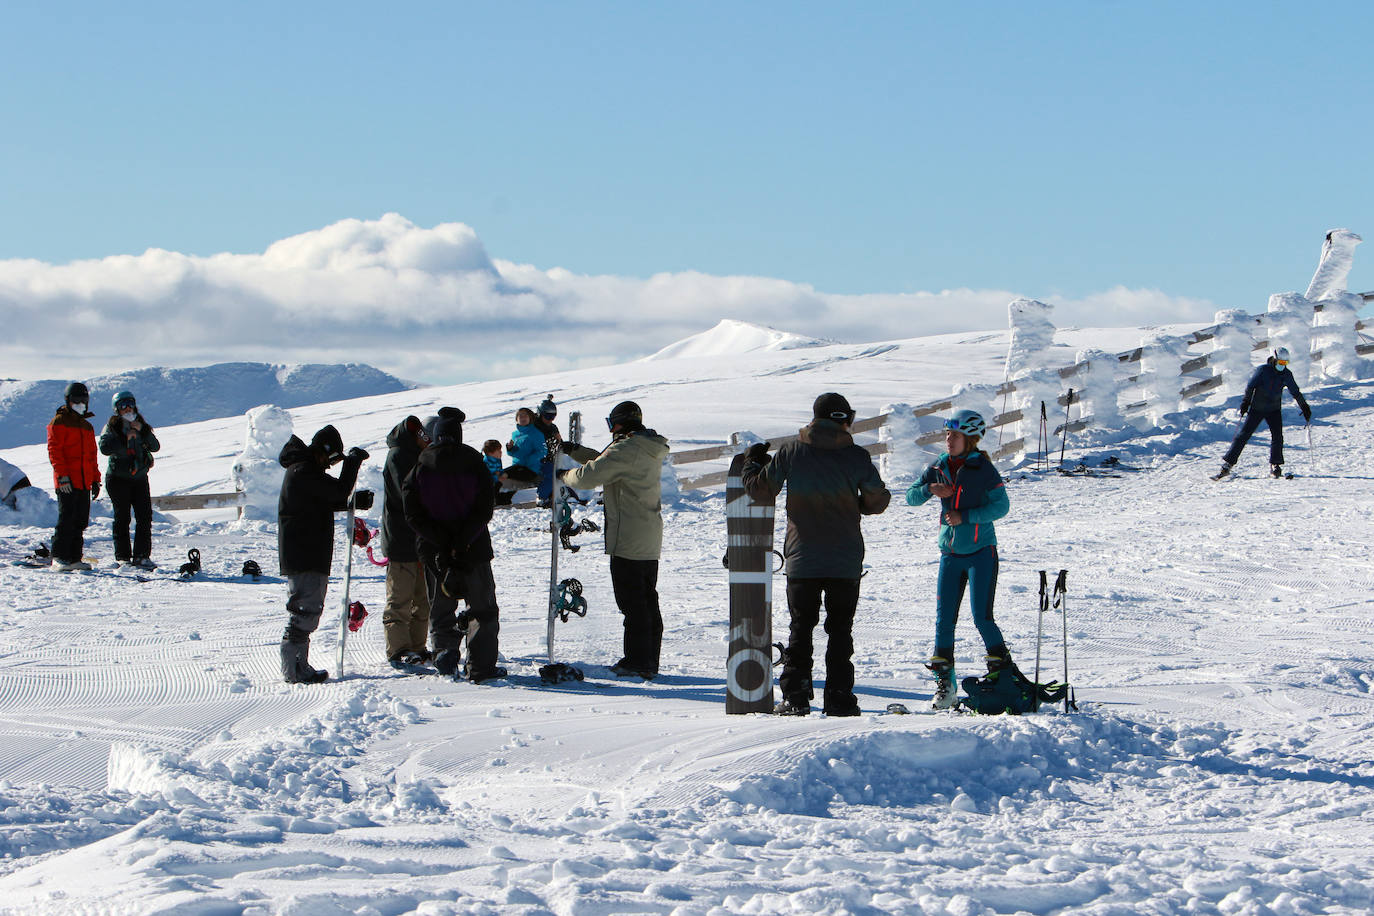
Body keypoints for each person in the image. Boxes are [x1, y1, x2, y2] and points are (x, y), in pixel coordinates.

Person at [743, 393, 890, 716]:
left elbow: (760, 490)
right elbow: (878, 501)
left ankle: (796, 696)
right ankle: (839, 698)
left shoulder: (792, 452)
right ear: (845, 420)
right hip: (844, 560)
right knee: (840, 631)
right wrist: (857, 505)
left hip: (803, 558)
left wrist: (751, 463)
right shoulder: (856, 457)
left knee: (801, 627)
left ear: (815, 418)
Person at [906, 409, 1013, 710]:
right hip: (950, 555)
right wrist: (930, 489)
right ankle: (946, 686)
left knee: (982, 617)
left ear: (970, 439)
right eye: (947, 435)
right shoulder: (939, 466)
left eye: (955, 435)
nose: (948, 439)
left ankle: (1002, 677)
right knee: (944, 621)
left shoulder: (984, 469)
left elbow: (1001, 507)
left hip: (981, 553)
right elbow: (910, 496)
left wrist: (964, 517)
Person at [561, 401, 670, 679]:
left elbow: (589, 476)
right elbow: (603, 460)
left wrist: (563, 474)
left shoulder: (627, 448)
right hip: (645, 534)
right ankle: (648, 660)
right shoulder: (642, 446)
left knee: (633, 604)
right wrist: (570, 449)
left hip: (628, 538)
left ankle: (637, 662)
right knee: (646, 600)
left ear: (619, 423)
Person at [402, 407, 505, 682]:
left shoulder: (421, 465)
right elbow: (484, 510)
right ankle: (481, 667)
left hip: (436, 551)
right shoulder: (474, 461)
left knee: (441, 607)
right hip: (473, 548)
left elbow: (413, 514)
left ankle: (446, 659)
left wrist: (442, 542)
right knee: (482, 608)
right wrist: (461, 542)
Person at [276, 424, 369, 684]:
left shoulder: (304, 471)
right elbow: (337, 490)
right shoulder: (304, 471)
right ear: (324, 452)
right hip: (305, 554)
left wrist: (353, 501)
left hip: (306, 553)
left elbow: (329, 497)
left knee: (307, 610)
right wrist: (351, 463)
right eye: (333, 459)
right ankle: (294, 670)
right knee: (304, 611)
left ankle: (297, 666)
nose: (331, 466)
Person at [380, 415, 432, 668]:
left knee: (422, 599)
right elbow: (408, 494)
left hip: (419, 538)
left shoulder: (415, 456)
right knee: (400, 598)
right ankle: (398, 649)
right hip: (402, 538)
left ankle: (417, 646)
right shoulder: (400, 456)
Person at [1216, 347, 1312, 479]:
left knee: (1277, 437)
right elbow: (1250, 387)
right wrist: (1246, 402)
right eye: (1281, 363)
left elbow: (1295, 391)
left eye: (1285, 363)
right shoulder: (1263, 371)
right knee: (1243, 435)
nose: (1282, 366)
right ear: (1274, 359)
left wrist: (1304, 407)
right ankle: (1228, 464)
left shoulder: (1286, 374)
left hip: (1274, 410)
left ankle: (1275, 465)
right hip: (1257, 408)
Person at [98, 390, 161, 569]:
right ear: (116, 409)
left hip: (139, 478)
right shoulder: (112, 427)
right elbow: (104, 448)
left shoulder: (141, 424)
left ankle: (142, 556)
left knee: (144, 517)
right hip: (118, 478)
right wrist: (124, 438)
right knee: (122, 517)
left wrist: (143, 432)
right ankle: (123, 557)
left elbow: (155, 446)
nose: (127, 409)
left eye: (130, 404)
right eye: (122, 406)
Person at [45, 382, 101, 572]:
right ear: (68, 401)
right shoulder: (59, 422)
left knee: (80, 521)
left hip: (84, 480)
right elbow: (55, 452)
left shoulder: (87, 426)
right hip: (67, 481)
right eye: (76, 400)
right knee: (66, 519)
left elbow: (92, 456)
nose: (80, 404)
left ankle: (75, 558)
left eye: (83, 400)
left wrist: (95, 479)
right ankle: (59, 557)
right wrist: (62, 477)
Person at [502, 407, 544, 490]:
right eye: (520, 416)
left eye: (525, 416)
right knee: (499, 476)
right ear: (516, 419)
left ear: (530, 418)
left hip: (531, 469)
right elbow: (514, 453)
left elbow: (542, 451)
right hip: (517, 466)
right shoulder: (515, 434)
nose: (523, 418)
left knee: (504, 478)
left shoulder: (536, 433)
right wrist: (510, 449)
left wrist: (529, 460)